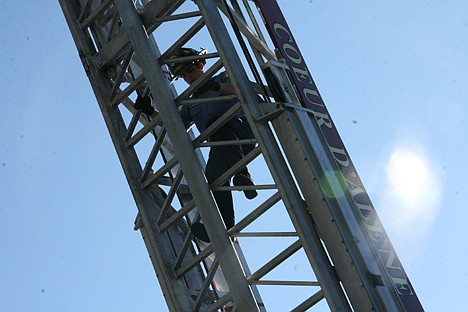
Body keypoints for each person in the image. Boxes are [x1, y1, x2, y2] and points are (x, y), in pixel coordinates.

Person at [135, 47, 257, 243]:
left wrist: (214, 87)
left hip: (243, 131)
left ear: (201, 65)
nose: (189, 78)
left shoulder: (221, 78)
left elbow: (242, 91)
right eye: (184, 75)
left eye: (190, 71)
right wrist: (150, 111)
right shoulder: (191, 102)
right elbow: (174, 127)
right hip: (222, 145)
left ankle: (243, 173)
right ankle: (224, 226)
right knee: (213, 180)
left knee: (218, 128)